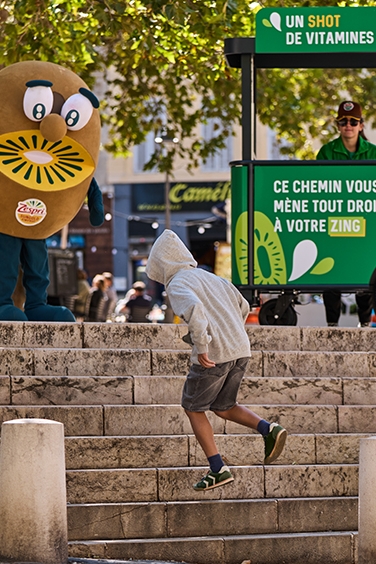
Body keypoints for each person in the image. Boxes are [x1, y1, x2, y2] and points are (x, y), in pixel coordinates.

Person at [145, 229, 287, 491]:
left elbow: (196, 312)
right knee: (223, 405)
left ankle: (217, 468)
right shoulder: (212, 278)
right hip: (239, 349)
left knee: (193, 407)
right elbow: (243, 305)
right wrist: (230, 332)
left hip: (214, 353)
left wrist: (202, 346)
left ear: (161, 264)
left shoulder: (177, 282)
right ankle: (269, 429)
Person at [317, 101, 376, 328]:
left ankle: (364, 323)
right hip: (335, 223)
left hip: (365, 224)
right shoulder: (326, 151)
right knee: (331, 272)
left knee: (365, 270)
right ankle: (332, 324)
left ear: (361, 125)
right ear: (338, 125)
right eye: (343, 121)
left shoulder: (373, 153)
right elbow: (317, 186)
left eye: (353, 121)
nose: (348, 125)